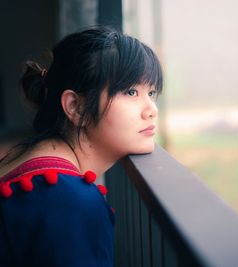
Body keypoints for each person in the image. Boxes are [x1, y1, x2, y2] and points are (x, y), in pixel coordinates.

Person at [0, 26, 163, 266]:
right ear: (75, 107)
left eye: (151, 93)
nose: (152, 110)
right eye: (130, 92)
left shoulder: (31, 161)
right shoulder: (69, 202)